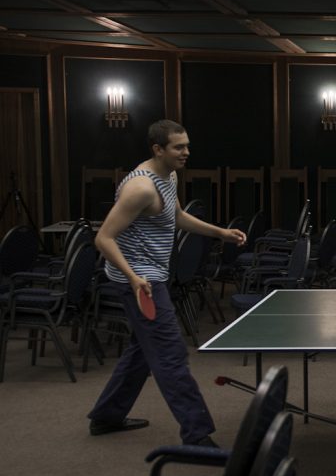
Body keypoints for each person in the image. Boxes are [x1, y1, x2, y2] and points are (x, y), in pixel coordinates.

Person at [87, 119, 246, 447]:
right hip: (139, 280)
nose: (186, 152)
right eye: (179, 147)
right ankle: (197, 435)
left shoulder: (169, 175)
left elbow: (176, 216)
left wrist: (220, 233)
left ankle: (106, 416)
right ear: (158, 149)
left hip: (152, 274)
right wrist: (133, 279)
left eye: (187, 145)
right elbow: (103, 239)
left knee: (142, 350)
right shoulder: (140, 189)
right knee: (171, 353)